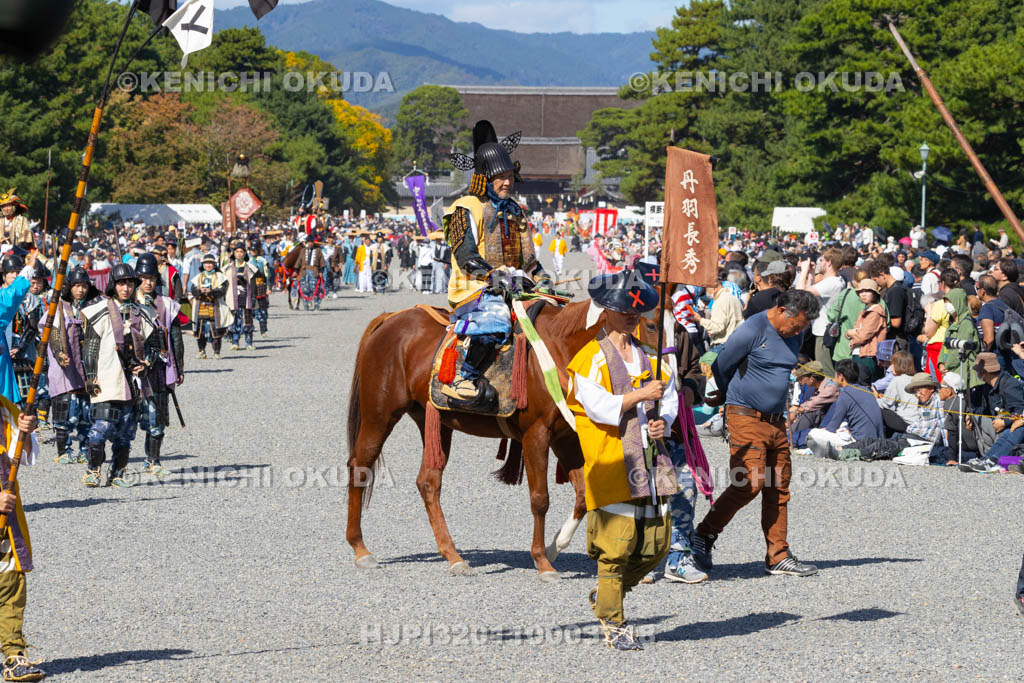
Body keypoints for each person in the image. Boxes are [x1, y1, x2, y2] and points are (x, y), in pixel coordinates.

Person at [567, 270, 677, 650]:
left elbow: (668, 399)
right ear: (605, 310)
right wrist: (642, 393)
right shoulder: (589, 359)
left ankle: (606, 596)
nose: (631, 315)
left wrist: (664, 421)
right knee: (616, 546)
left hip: (649, 459)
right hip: (612, 459)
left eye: (636, 310)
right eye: (621, 309)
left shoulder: (648, 355)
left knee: (657, 543)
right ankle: (614, 623)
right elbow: (600, 409)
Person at [693, 289, 821, 577]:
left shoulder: (795, 333)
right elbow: (721, 365)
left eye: (803, 327)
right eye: (797, 324)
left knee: (778, 485)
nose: (799, 331)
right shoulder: (752, 329)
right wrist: (727, 399)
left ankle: (778, 554)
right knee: (748, 482)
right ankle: (703, 534)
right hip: (745, 415)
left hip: (777, 420)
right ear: (782, 311)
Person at [441, 120, 552, 409]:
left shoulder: (516, 212)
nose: (507, 182)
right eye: (499, 176)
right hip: (475, 289)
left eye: (509, 175)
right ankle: (465, 378)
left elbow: (528, 261)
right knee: (496, 318)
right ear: (484, 178)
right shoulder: (465, 207)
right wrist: (494, 276)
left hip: (515, 287)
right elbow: (464, 256)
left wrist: (542, 279)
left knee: (557, 314)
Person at [81, 263, 159, 488]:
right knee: (100, 429)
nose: (126, 288)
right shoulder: (100, 310)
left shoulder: (143, 312)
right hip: (106, 378)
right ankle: (93, 470)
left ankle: (117, 473)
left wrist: (146, 364)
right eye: (121, 283)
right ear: (113, 286)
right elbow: (91, 347)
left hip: (132, 382)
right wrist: (90, 374)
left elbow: (155, 346)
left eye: (129, 283)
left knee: (125, 433)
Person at [0, 396, 44, 682]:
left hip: (5, 518)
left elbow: (24, 455)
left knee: (10, 584)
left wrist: (25, 431)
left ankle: (13, 655)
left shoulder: (4, 408)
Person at [134, 253, 184, 477]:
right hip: (131, 369)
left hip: (159, 368)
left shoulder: (167, 305)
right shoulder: (126, 303)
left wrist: (179, 368)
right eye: (143, 277)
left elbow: (176, 337)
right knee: (125, 421)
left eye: (152, 278)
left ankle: (153, 460)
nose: (148, 282)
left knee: (157, 419)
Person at [47, 267, 99, 466]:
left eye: (84, 285)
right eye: (77, 285)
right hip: (65, 368)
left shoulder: (93, 306)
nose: (80, 290)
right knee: (64, 412)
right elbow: (52, 331)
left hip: (86, 366)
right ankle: (63, 450)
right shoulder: (59, 307)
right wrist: (60, 352)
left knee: (86, 413)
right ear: (70, 287)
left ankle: (84, 450)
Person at [806, 359, 884, 458]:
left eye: (835, 375)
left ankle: (830, 451)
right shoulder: (867, 390)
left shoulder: (845, 395)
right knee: (843, 427)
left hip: (860, 443)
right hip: (878, 441)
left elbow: (832, 427)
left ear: (841, 377)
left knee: (813, 433)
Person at [960, 352, 1024, 473]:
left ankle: (993, 460)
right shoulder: (988, 387)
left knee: (1015, 430)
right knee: (1006, 433)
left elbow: (1019, 411)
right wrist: (971, 415)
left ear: (984, 372)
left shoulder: (1010, 385)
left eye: (978, 371)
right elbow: (982, 408)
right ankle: (986, 459)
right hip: (1002, 425)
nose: (977, 374)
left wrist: (1005, 422)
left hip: (1016, 424)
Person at [797, 248, 845, 374]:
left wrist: (804, 270)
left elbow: (800, 291)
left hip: (823, 331)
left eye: (822, 260)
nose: (819, 263)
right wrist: (812, 274)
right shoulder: (838, 280)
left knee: (826, 371)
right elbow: (812, 292)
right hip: (822, 330)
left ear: (829, 263)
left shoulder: (831, 282)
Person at [189, 254, 233, 360]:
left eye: (210, 263)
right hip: (201, 306)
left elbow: (223, 290)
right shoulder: (198, 277)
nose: (208, 265)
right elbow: (193, 290)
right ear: (203, 264)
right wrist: (200, 291)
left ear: (214, 264)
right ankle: (201, 351)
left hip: (215, 305)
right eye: (206, 263)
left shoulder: (220, 277)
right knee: (200, 330)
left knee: (216, 330)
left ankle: (216, 352)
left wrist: (212, 292)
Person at [845, 279, 887, 381]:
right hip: (860, 353)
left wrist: (850, 333)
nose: (863, 294)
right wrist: (850, 333)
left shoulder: (875, 312)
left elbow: (862, 336)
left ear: (874, 294)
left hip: (868, 355)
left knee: (865, 386)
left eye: (867, 291)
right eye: (861, 292)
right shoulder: (866, 310)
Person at [690, 271, 743, 351]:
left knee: (704, 363)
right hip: (735, 344)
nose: (706, 293)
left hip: (721, 346)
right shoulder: (735, 300)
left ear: (714, 288)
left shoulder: (719, 302)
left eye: (707, 289)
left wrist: (700, 320)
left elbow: (717, 327)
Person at [223, 242, 258, 350]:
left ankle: (249, 342)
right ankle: (235, 341)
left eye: (241, 251)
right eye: (237, 251)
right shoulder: (227, 268)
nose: (239, 254)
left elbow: (254, 283)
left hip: (246, 297)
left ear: (244, 253)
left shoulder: (251, 267)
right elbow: (223, 283)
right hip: (232, 297)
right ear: (234, 253)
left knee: (248, 320)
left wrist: (253, 296)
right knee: (234, 320)